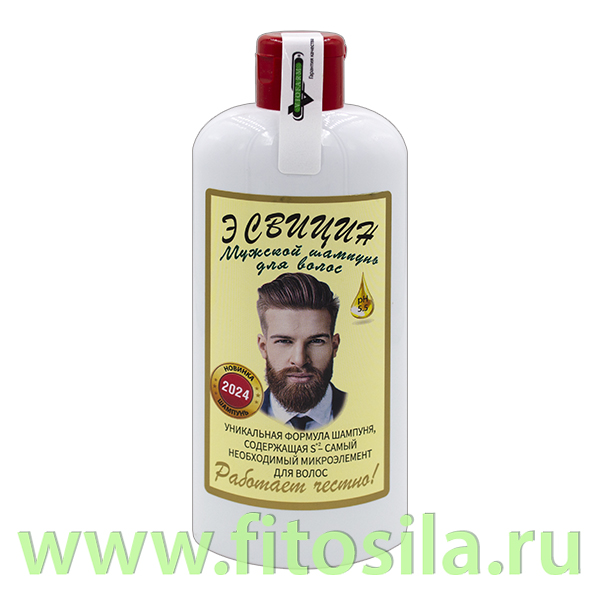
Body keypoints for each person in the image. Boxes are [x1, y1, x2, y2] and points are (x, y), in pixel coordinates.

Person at [256, 272, 346, 430]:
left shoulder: (366, 409)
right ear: (263, 347)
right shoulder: (242, 415)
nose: (300, 360)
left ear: (334, 346)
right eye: (284, 341)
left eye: (316, 341)